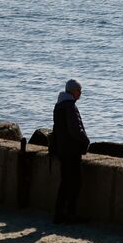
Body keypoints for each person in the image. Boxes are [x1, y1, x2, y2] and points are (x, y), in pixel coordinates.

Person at [51, 79, 90, 224]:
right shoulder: (70, 107)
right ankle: (70, 214)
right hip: (71, 151)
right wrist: (85, 141)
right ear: (73, 91)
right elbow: (75, 129)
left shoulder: (59, 105)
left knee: (65, 182)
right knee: (75, 182)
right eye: (79, 90)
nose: (80, 93)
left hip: (62, 149)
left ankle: (59, 214)